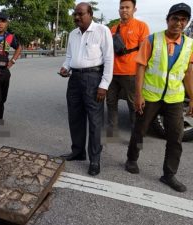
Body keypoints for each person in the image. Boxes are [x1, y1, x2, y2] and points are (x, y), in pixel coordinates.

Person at [125, 3, 193, 192]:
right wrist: (138, 95)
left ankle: (169, 174)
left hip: (174, 99)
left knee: (176, 138)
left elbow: (188, 72)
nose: (178, 23)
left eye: (183, 20)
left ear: (187, 23)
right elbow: (140, 66)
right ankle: (132, 159)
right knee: (140, 130)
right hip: (151, 96)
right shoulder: (152, 40)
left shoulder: (189, 44)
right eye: (175, 19)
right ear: (167, 20)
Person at [58, 2, 114, 176]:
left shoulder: (102, 31)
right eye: (75, 14)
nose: (77, 17)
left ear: (90, 14)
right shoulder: (73, 34)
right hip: (74, 79)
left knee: (95, 121)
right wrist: (65, 67)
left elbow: (109, 59)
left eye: (80, 14)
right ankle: (78, 152)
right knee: (75, 117)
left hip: (93, 78)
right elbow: (69, 57)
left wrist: (104, 85)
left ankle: (95, 160)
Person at [107, 0, 149, 137]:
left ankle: (136, 138)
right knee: (111, 103)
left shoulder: (141, 26)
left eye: (127, 7)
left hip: (131, 73)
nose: (124, 10)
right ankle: (112, 134)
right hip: (113, 73)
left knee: (134, 107)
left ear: (134, 9)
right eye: (121, 7)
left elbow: (144, 51)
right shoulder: (114, 29)